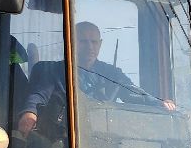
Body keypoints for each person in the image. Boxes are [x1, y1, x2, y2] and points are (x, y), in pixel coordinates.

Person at [16, 21, 174, 134]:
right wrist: (30, 112)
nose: (90, 47)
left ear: (100, 43)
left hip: (103, 137)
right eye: (83, 42)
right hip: (62, 137)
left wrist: (160, 103)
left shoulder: (112, 74)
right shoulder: (51, 70)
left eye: (94, 42)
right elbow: (38, 95)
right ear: (71, 42)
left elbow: (132, 92)